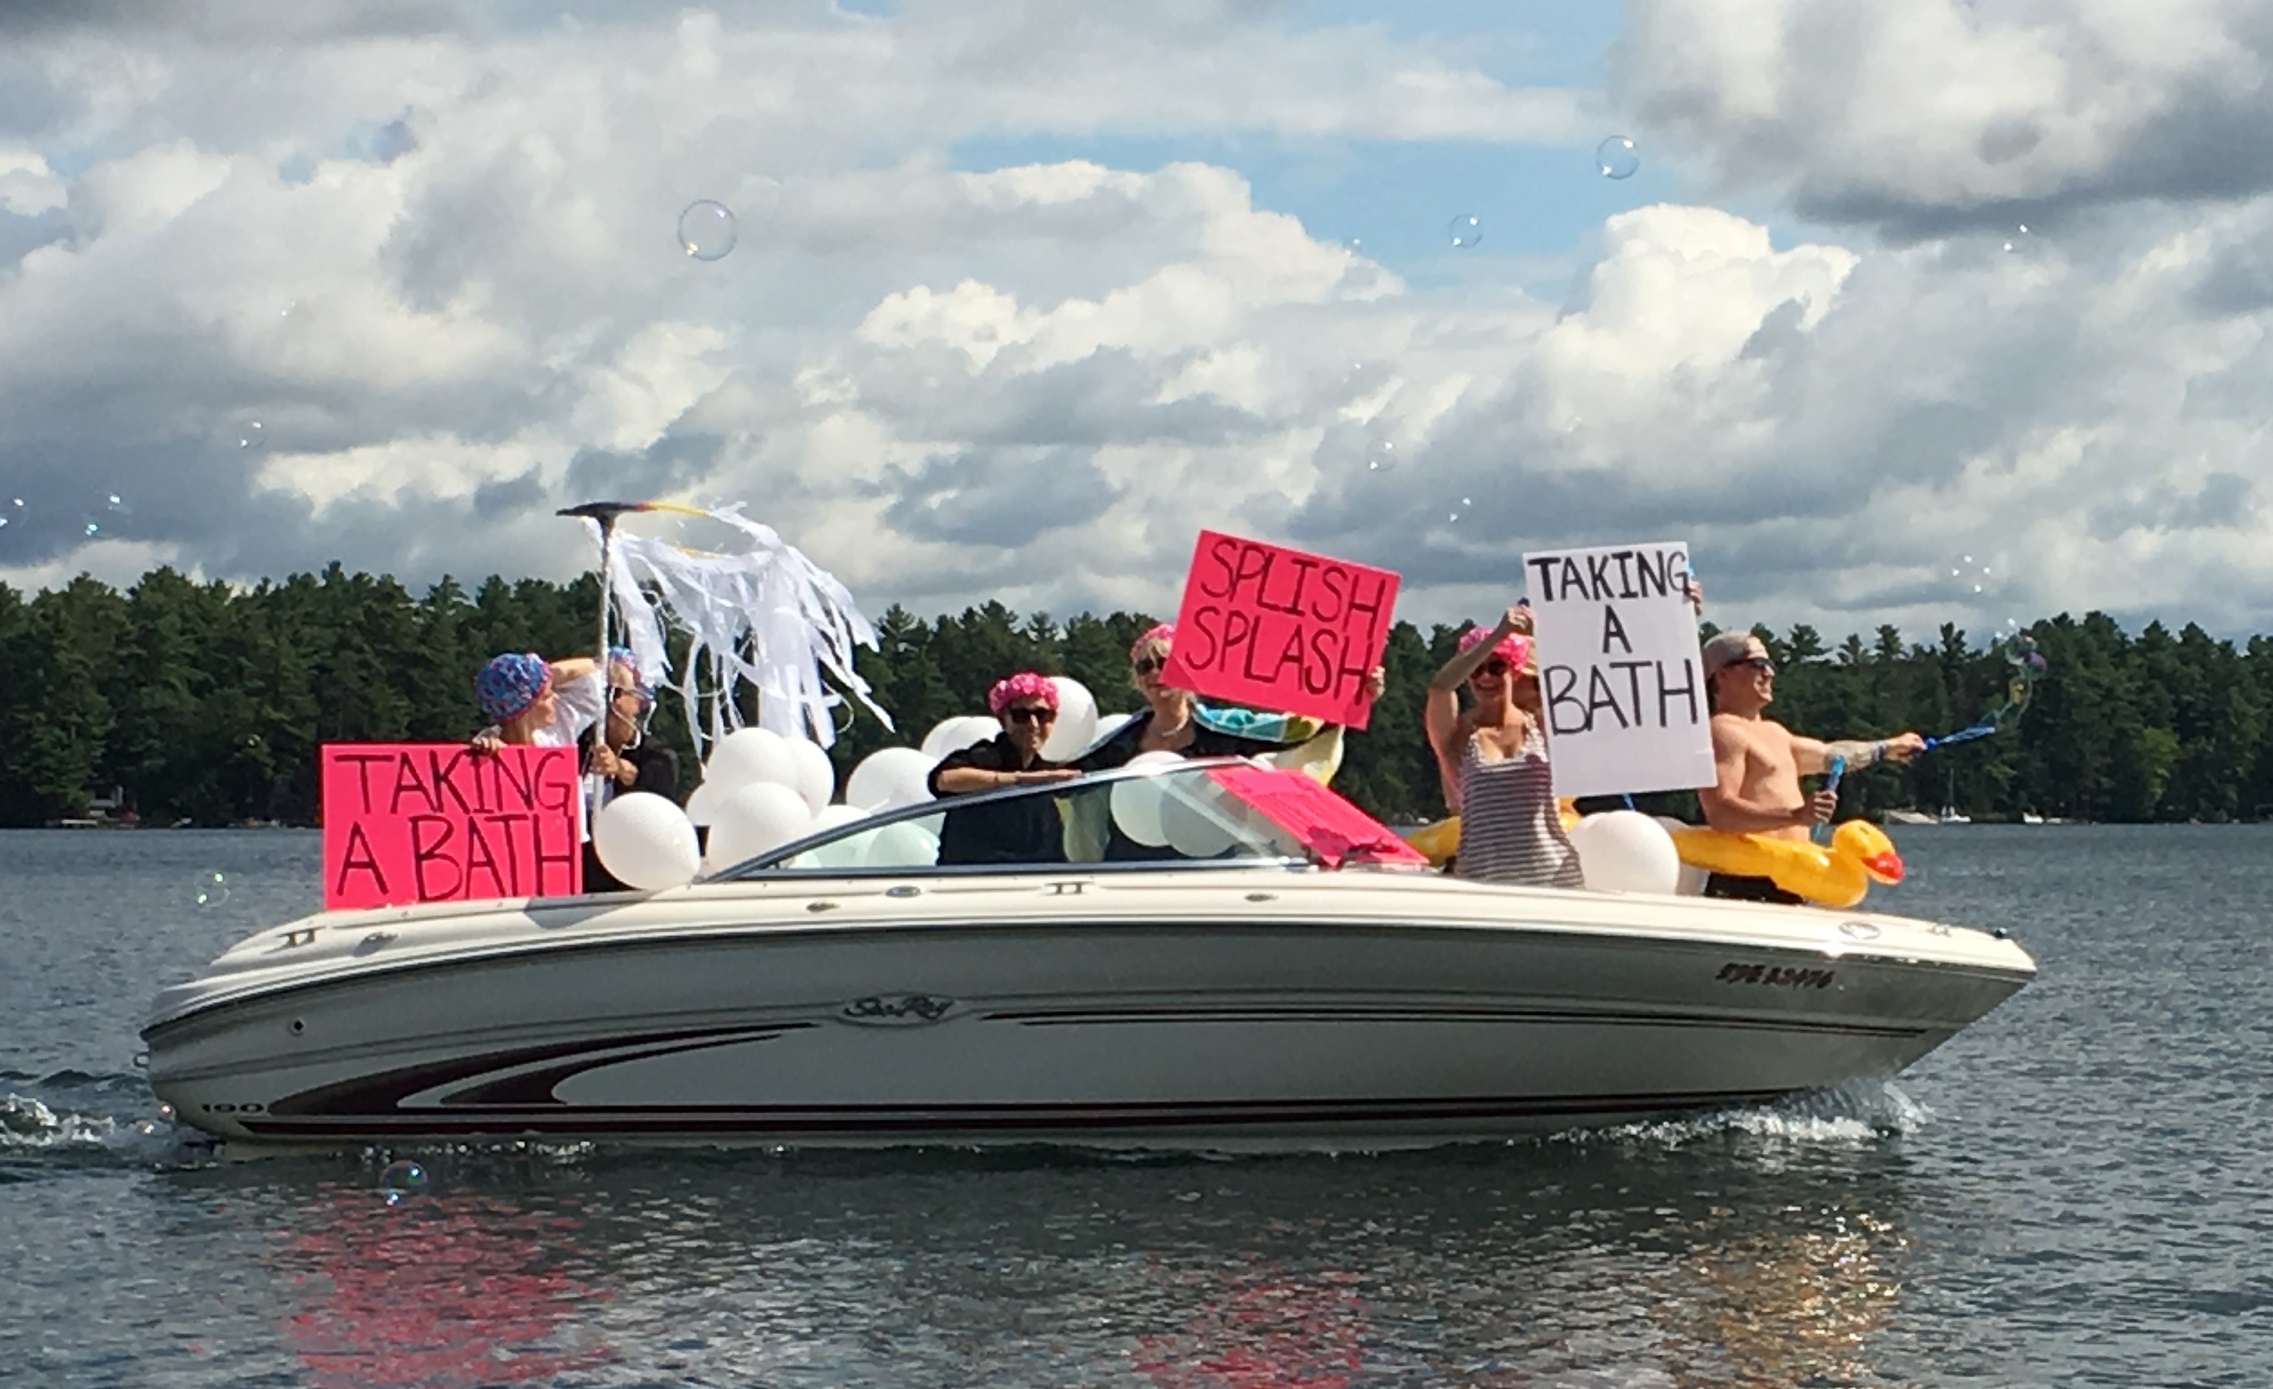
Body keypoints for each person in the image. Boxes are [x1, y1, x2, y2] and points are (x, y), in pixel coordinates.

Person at [1697, 628, 1925, 903]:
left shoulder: (1776, 733)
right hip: (1745, 882)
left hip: (1792, 879)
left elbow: (1833, 756)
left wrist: (1887, 747)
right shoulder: (1722, 730)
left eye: (1771, 665)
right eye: (1759, 664)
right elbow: (1721, 813)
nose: (1769, 673)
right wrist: (1795, 815)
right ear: (1722, 674)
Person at [1077, 622, 1387, 772]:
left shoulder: (1228, 727)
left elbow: (1297, 732)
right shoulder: (1120, 740)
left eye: (1166, 663)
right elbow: (1077, 772)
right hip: (1130, 866)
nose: (1154, 673)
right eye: (1145, 666)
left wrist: (1354, 691)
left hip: (1215, 860)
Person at [1424, 605, 1583, 888]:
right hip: (1485, 884)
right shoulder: (1459, 737)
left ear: (1515, 672)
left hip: (1553, 878)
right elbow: (1440, 688)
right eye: (1477, 670)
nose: (1486, 678)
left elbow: (1568, 686)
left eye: (1497, 668)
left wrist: (1540, 640)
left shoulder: (1541, 725)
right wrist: (1499, 635)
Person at [927, 671, 1082, 865]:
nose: (1033, 725)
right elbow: (943, 780)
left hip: (1037, 877)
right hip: (976, 879)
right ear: (1003, 721)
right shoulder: (987, 756)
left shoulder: (1049, 765)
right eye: (1021, 716)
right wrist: (1020, 779)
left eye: (1043, 715)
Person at [580, 650, 683, 892]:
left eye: (617, 693)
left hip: (628, 881)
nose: (609, 703)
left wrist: (621, 770)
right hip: (577, 877)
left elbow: (657, 796)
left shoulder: (658, 756)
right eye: (602, 693)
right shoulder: (575, 748)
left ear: (637, 701)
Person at [470, 652, 607, 751]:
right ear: (526, 708)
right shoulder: (491, 744)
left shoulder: (559, 728)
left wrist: (541, 673)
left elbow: (595, 671)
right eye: (546, 696)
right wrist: (487, 750)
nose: (555, 697)